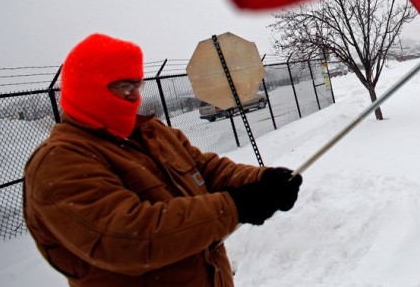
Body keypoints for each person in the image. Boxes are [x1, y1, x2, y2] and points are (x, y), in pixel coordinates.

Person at [23, 33, 302, 287]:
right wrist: (235, 206)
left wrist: (262, 180)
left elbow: (206, 169)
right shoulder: (61, 161)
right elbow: (129, 237)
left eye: (136, 84)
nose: (134, 95)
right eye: (122, 85)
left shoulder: (152, 132)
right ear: (87, 88)